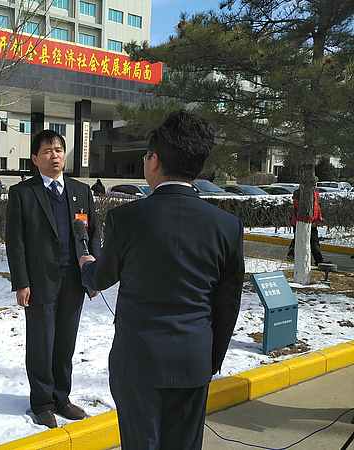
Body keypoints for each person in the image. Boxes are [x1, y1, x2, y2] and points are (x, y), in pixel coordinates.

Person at [79, 110, 244, 449]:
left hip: (138, 359)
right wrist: (210, 359)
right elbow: (228, 304)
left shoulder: (126, 218)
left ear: (154, 161)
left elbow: (102, 277)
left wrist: (85, 263)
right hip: (194, 359)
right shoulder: (227, 226)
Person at [5, 129, 101, 429]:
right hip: (40, 282)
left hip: (74, 280)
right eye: (47, 151)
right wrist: (21, 282)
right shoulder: (23, 193)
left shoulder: (80, 191)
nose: (54, 155)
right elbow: (15, 241)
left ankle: (61, 397)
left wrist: (94, 275)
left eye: (58, 150)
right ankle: (42, 403)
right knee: (41, 344)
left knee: (65, 344)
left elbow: (93, 234)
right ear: (35, 159)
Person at [286, 177, 330, 265]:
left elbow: (317, 207)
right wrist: (310, 220)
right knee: (299, 240)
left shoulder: (315, 194)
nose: (316, 186)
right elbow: (301, 210)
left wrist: (319, 217)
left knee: (314, 242)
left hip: (312, 223)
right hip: (300, 223)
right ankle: (290, 257)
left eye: (316, 184)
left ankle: (319, 261)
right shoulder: (300, 194)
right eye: (314, 184)